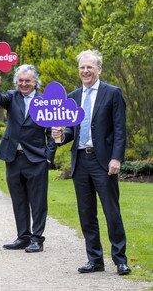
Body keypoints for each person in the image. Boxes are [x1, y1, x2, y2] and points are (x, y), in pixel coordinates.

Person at [52, 50, 130, 275]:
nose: (85, 71)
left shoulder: (112, 93)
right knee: (86, 213)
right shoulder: (74, 96)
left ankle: (120, 259)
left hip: (103, 162)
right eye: (82, 67)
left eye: (90, 67)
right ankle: (94, 259)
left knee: (111, 212)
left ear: (99, 70)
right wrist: (59, 134)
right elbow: (69, 132)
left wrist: (116, 158)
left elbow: (119, 130)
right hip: (80, 162)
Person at [0, 65, 56, 253]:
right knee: (18, 199)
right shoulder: (12, 96)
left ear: (35, 82)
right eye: (20, 80)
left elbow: (52, 132)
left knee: (38, 201)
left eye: (27, 81)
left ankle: (37, 238)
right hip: (13, 158)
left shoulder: (45, 101)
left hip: (36, 159)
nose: (24, 84)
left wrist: (48, 157)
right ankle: (23, 237)